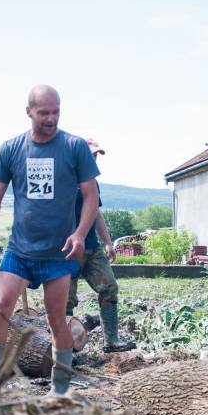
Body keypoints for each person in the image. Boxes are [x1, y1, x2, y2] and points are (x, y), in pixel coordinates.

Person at [0, 84, 100, 394]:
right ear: (29, 111)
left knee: (57, 318)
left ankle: (60, 390)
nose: (51, 118)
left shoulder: (74, 147)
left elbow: (90, 196)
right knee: (1, 305)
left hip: (58, 253)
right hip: (20, 250)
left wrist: (80, 234)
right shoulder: (11, 149)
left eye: (56, 111)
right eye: (44, 112)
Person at [66, 139, 136, 352]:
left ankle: (111, 340)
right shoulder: (64, 179)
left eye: (96, 156)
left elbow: (96, 213)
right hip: (66, 250)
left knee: (109, 286)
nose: (94, 160)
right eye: (91, 155)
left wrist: (108, 243)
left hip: (91, 248)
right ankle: (64, 348)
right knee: (65, 300)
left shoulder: (92, 182)